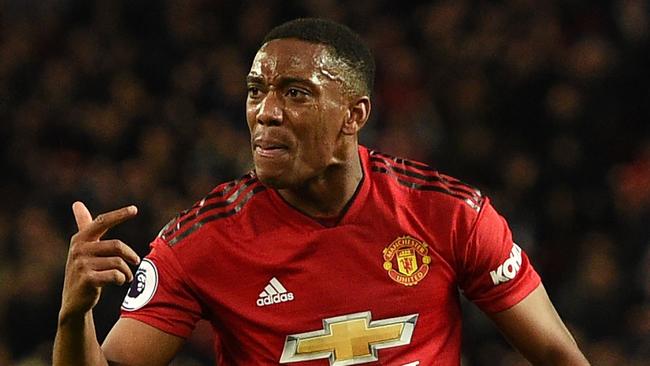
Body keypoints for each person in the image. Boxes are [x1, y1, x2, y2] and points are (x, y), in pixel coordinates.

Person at [53, 18, 590, 365]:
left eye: (295, 93)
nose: (266, 111)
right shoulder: (200, 241)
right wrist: (74, 317)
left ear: (354, 115)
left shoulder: (449, 215)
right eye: (256, 91)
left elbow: (557, 354)